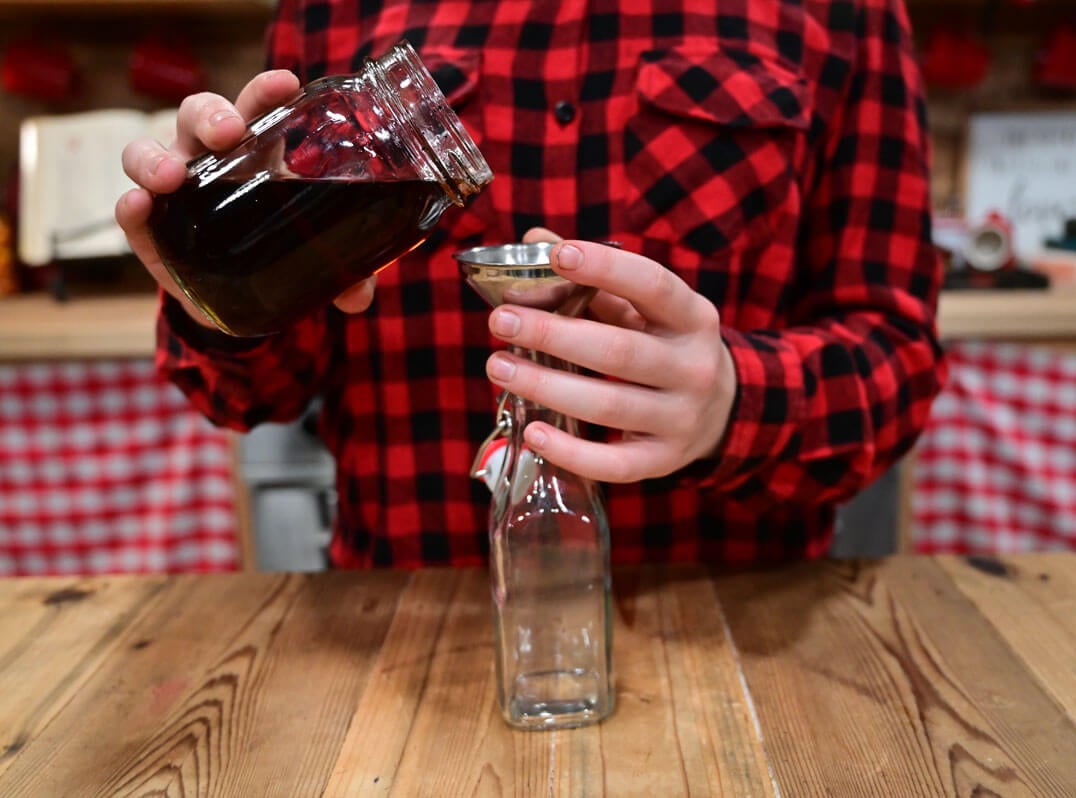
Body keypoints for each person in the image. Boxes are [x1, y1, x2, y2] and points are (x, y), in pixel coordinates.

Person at [116, 0, 946, 569]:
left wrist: (731, 402)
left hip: (725, 632)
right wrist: (223, 294)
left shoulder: (846, 11)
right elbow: (249, 396)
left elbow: (895, 353)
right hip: (403, 632)